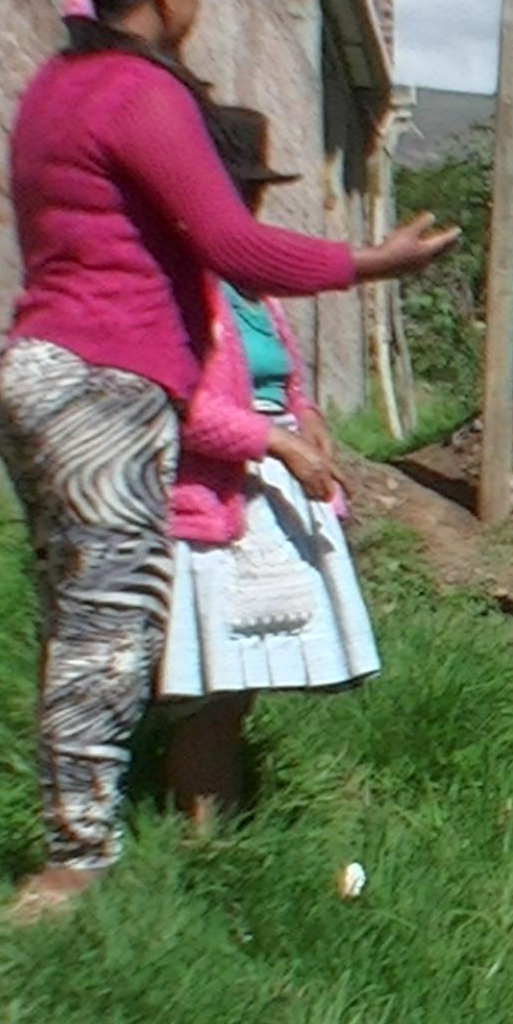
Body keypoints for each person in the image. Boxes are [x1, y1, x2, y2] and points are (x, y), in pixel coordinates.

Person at [0, 0, 452, 905]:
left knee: (72, 619)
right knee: (109, 632)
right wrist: (372, 262)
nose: (195, 0)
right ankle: (73, 868)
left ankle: (77, 836)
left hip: (33, 368)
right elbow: (233, 245)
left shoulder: (51, 88)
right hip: (107, 385)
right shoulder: (140, 93)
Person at [157, 105, 385, 827]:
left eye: (252, 192)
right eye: (234, 191)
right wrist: (279, 443)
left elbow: (287, 385)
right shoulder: (182, 285)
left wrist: (307, 424)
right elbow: (182, 404)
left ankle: (223, 823)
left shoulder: (255, 292)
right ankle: (200, 833)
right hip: (213, 500)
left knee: (242, 679)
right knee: (210, 680)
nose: (246, 207)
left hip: (265, 497)